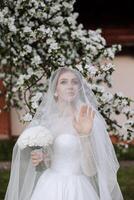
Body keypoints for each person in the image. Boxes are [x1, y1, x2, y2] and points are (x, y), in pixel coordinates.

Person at [4, 67, 124, 200]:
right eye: (64, 82)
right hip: (49, 187)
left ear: (79, 88)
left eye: (74, 82)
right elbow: (46, 163)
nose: (70, 86)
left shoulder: (87, 119)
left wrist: (84, 135)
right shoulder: (47, 122)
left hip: (77, 188)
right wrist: (41, 159)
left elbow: (90, 171)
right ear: (55, 90)